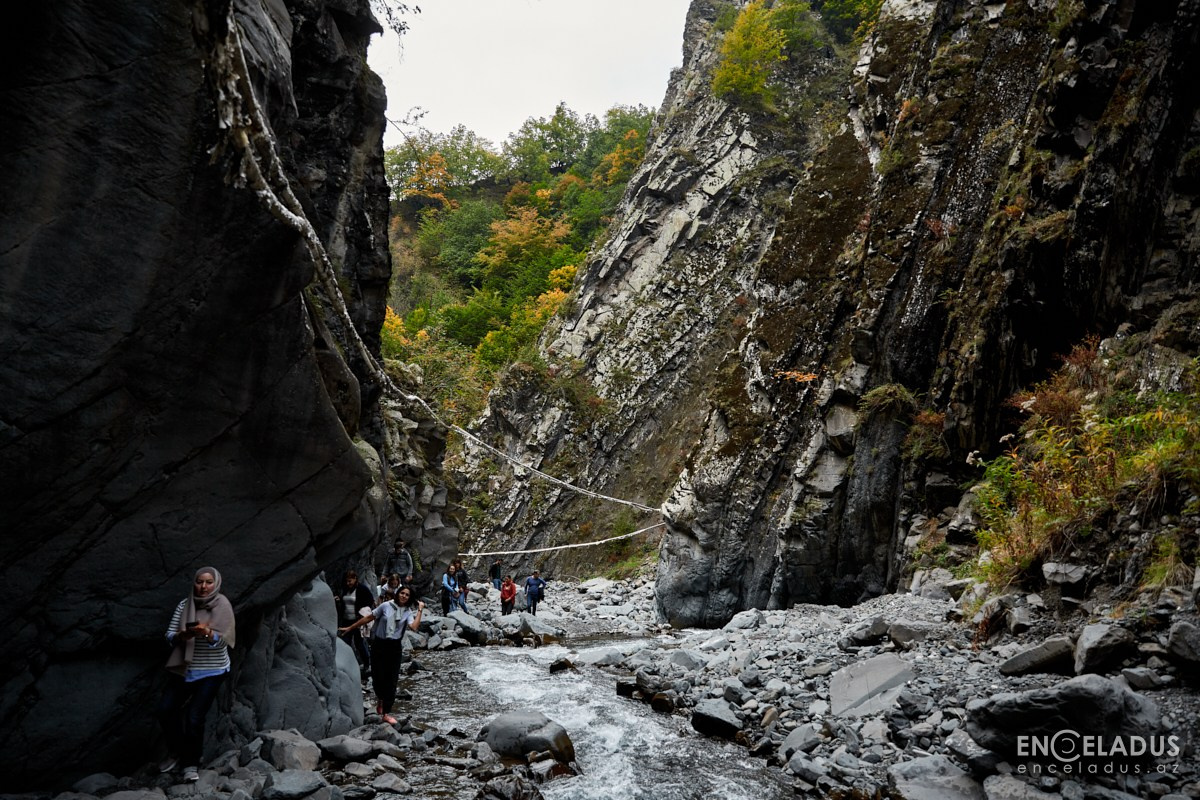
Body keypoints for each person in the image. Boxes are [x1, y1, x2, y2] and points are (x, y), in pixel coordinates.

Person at [157, 567, 237, 783]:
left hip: (213, 670)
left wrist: (208, 633)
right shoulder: (185, 605)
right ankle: (176, 751)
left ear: (216, 584)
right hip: (185, 668)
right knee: (165, 710)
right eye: (200, 581)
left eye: (209, 582)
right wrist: (183, 635)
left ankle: (190, 764)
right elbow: (169, 636)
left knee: (194, 717)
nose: (203, 586)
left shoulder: (222, 605)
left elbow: (225, 642)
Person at [339, 585, 424, 725]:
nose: (404, 596)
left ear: (410, 598)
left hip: (394, 647)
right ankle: (380, 698)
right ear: (398, 593)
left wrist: (420, 610)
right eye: (402, 593)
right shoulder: (385, 606)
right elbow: (369, 618)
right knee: (377, 676)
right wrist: (351, 627)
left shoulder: (407, 612)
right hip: (379, 644)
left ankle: (386, 713)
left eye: (407, 595)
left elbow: (414, 627)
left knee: (392, 679)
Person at [333, 570, 374, 679]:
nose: (348, 583)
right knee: (345, 643)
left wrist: (362, 612)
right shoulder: (346, 589)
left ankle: (367, 664)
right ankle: (346, 665)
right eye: (347, 581)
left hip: (357, 621)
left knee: (359, 644)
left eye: (350, 581)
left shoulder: (362, 589)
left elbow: (370, 600)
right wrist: (339, 599)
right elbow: (346, 600)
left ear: (355, 579)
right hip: (346, 620)